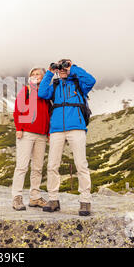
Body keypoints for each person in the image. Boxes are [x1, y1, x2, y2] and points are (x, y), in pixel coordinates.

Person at [38, 59, 96, 216]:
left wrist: (73, 68)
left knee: (81, 164)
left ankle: (85, 201)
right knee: (52, 165)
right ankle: (53, 199)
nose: (63, 70)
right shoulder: (55, 85)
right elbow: (42, 92)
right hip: (56, 129)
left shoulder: (79, 84)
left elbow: (91, 80)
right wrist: (50, 72)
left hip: (76, 127)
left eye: (65, 67)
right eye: (61, 68)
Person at [11, 67, 51, 211]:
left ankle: (35, 197)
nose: (35, 76)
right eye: (33, 74)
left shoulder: (46, 94)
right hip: (26, 133)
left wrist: (48, 133)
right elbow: (17, 110)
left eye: (38, 74)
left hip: (41, 134)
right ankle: (17, 197)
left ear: (44, 77)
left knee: (38, 168)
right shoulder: (26, 90)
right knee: (22, 166)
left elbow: (48, 114)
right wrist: (19, 128)